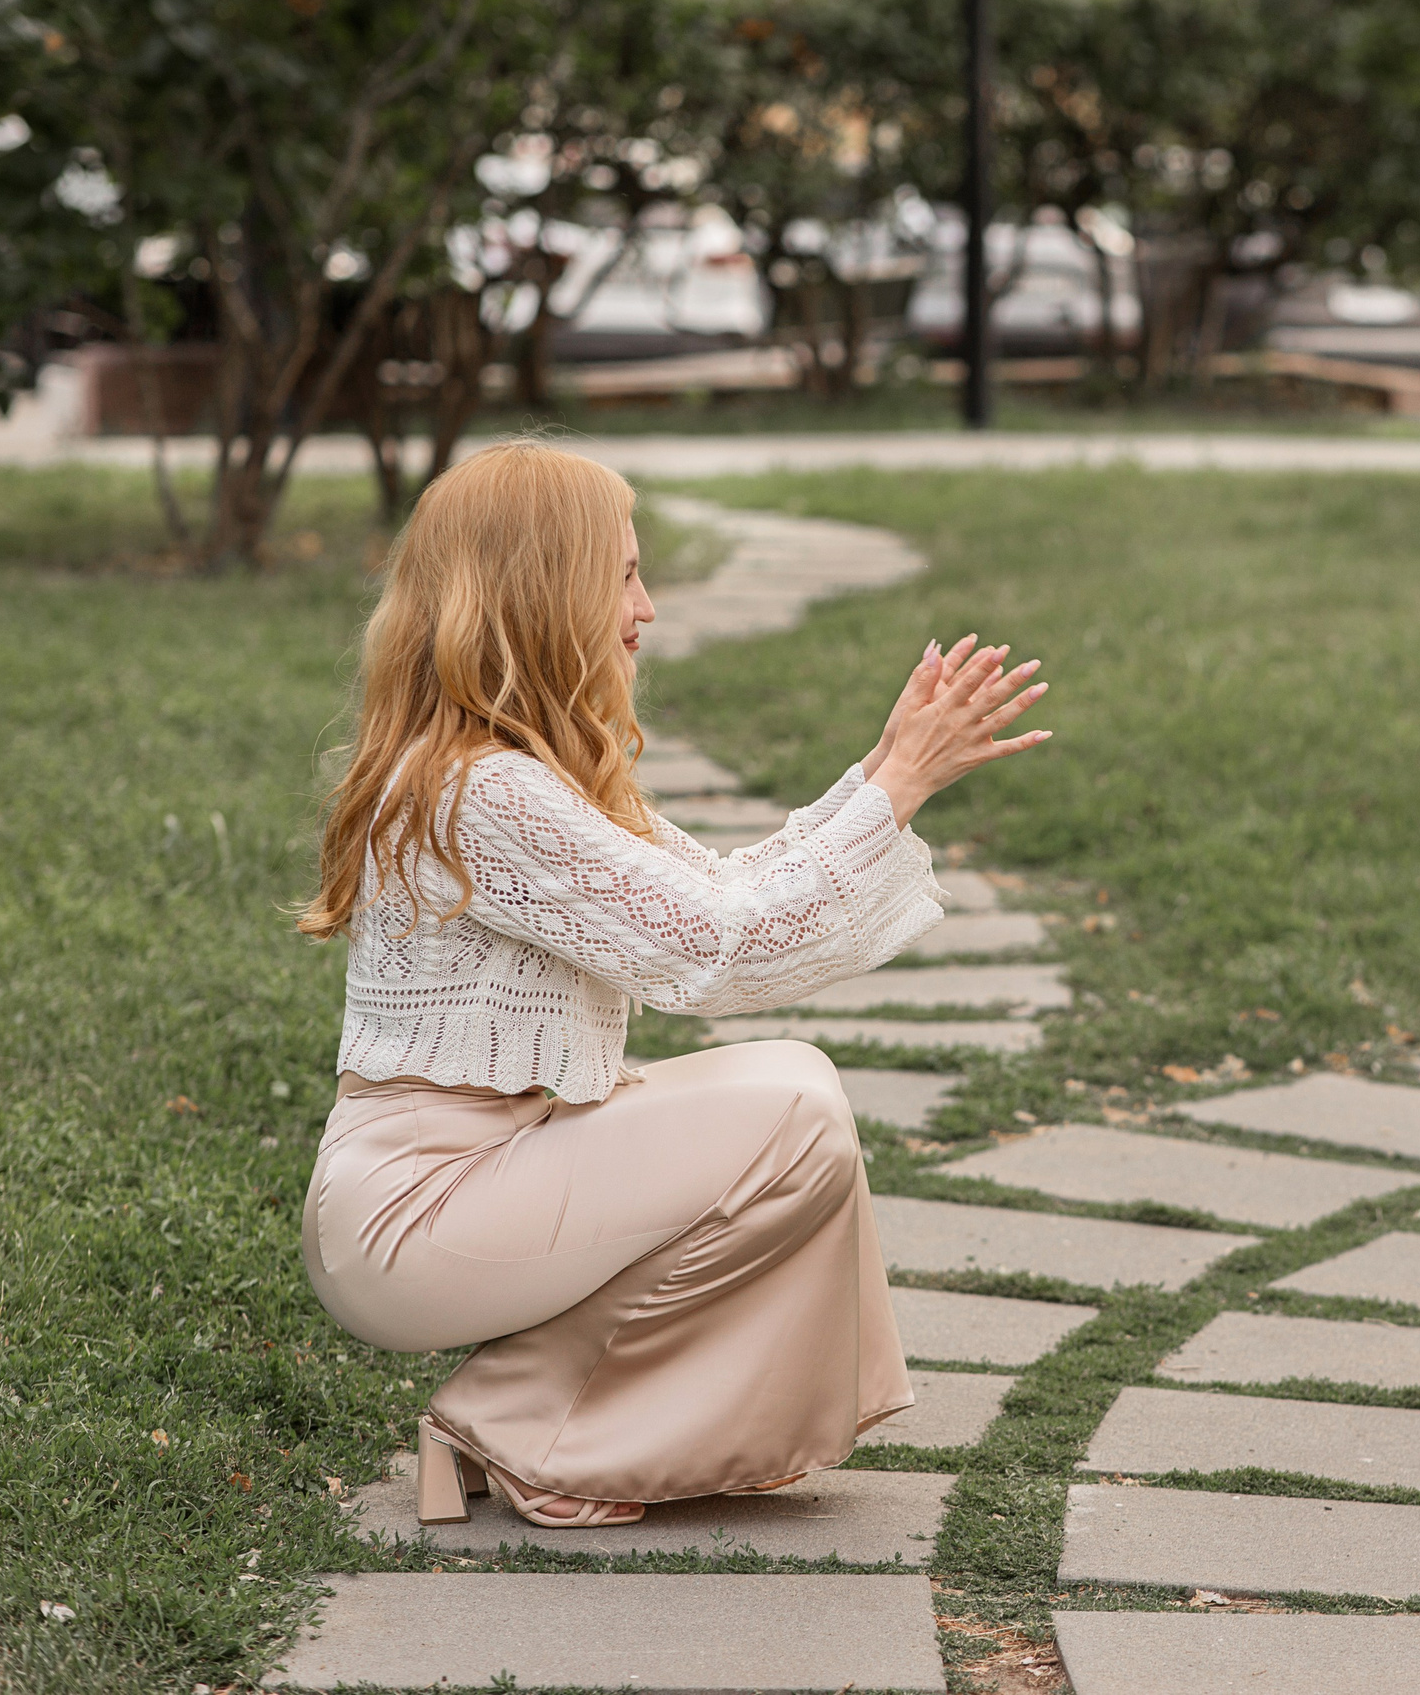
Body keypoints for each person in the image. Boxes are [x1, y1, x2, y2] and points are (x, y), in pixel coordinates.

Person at [293, 439, 1050, 1530]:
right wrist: (897, 787)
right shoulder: (481, 792)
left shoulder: (513, 772)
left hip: (469, 1176)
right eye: (624, 575)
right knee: (789, 1116)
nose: (643, 608)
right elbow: (721, 951)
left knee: (796, 1084)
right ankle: (519, 1424)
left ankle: (549, 1421)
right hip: (416, 1215)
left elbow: (723, 894)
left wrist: (881, 775)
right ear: (544, 594)